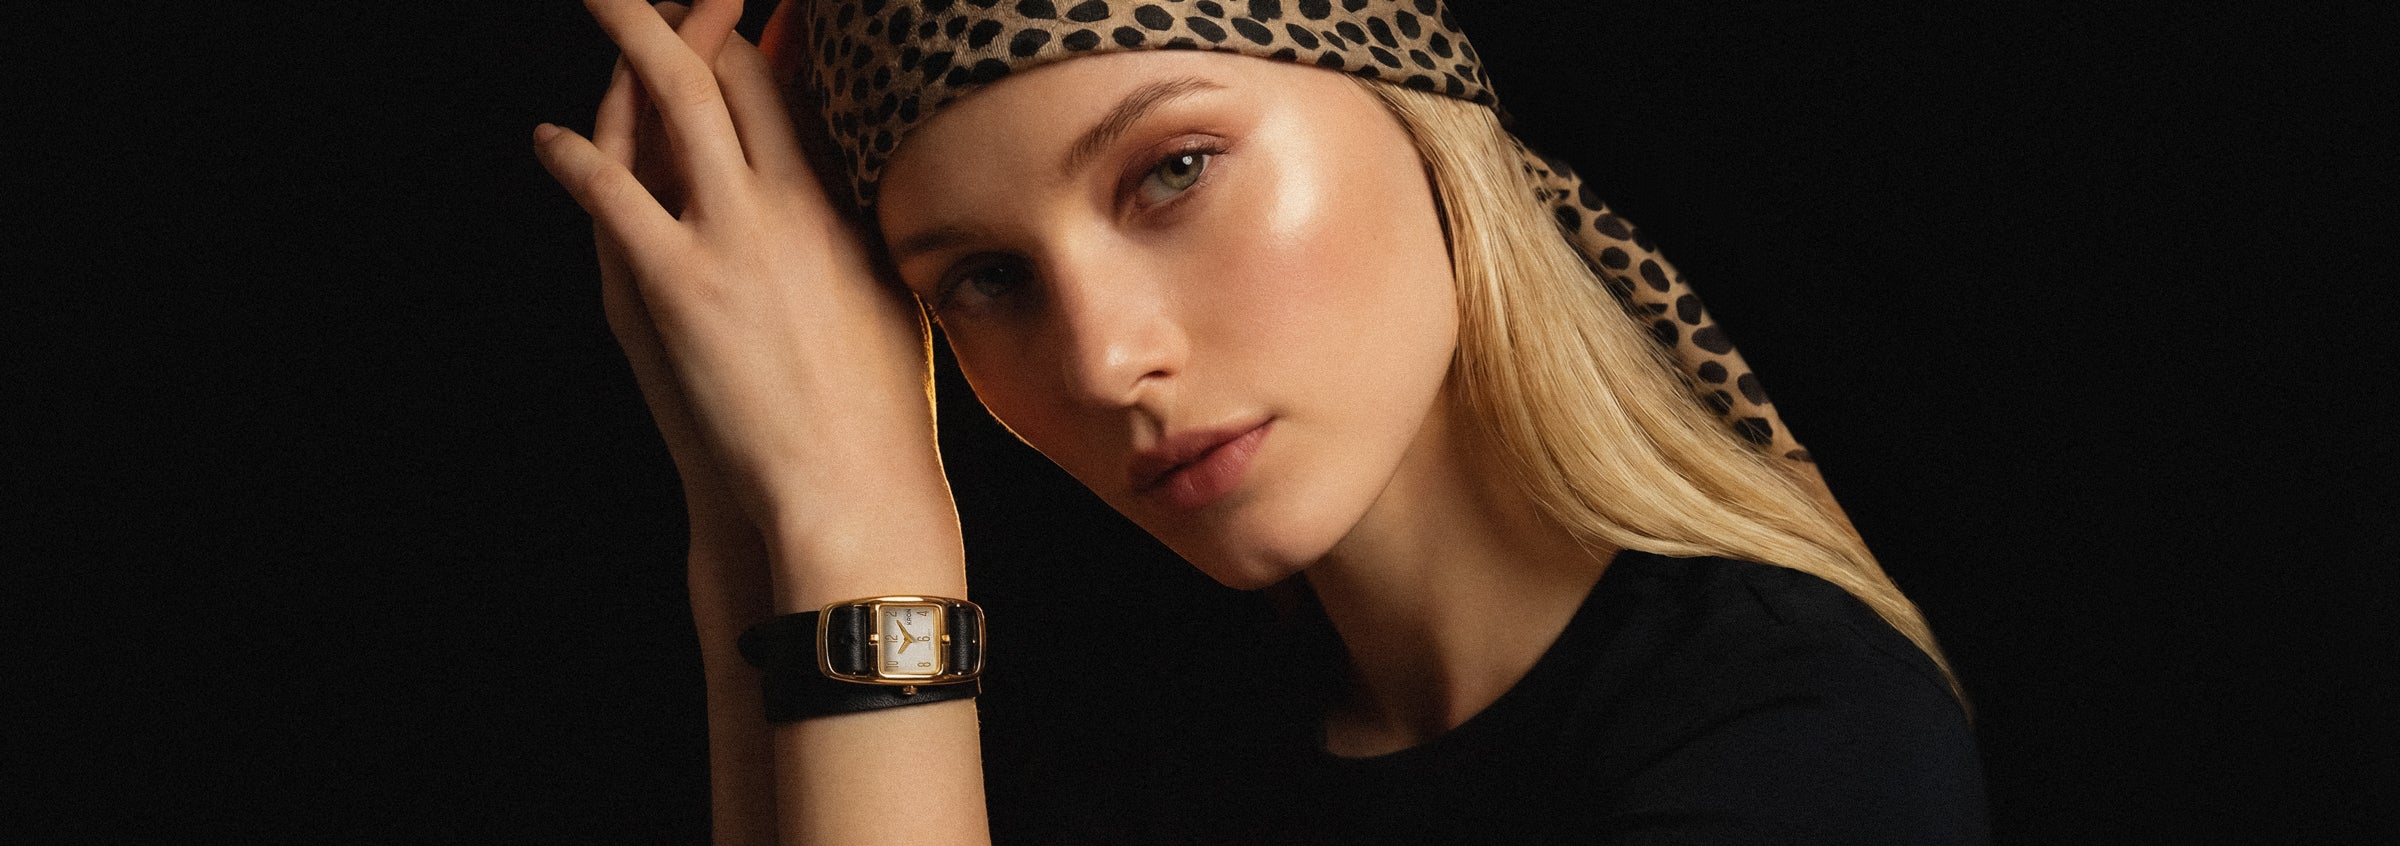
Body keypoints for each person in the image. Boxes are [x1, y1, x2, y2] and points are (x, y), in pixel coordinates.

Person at [532, 0, 1986, 841]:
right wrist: (751, 513)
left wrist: (866, 544)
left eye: (1174, 170)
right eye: (986, 278)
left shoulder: (1801, 751)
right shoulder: (1137, 724)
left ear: (1413, 102)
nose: (1105, 359)